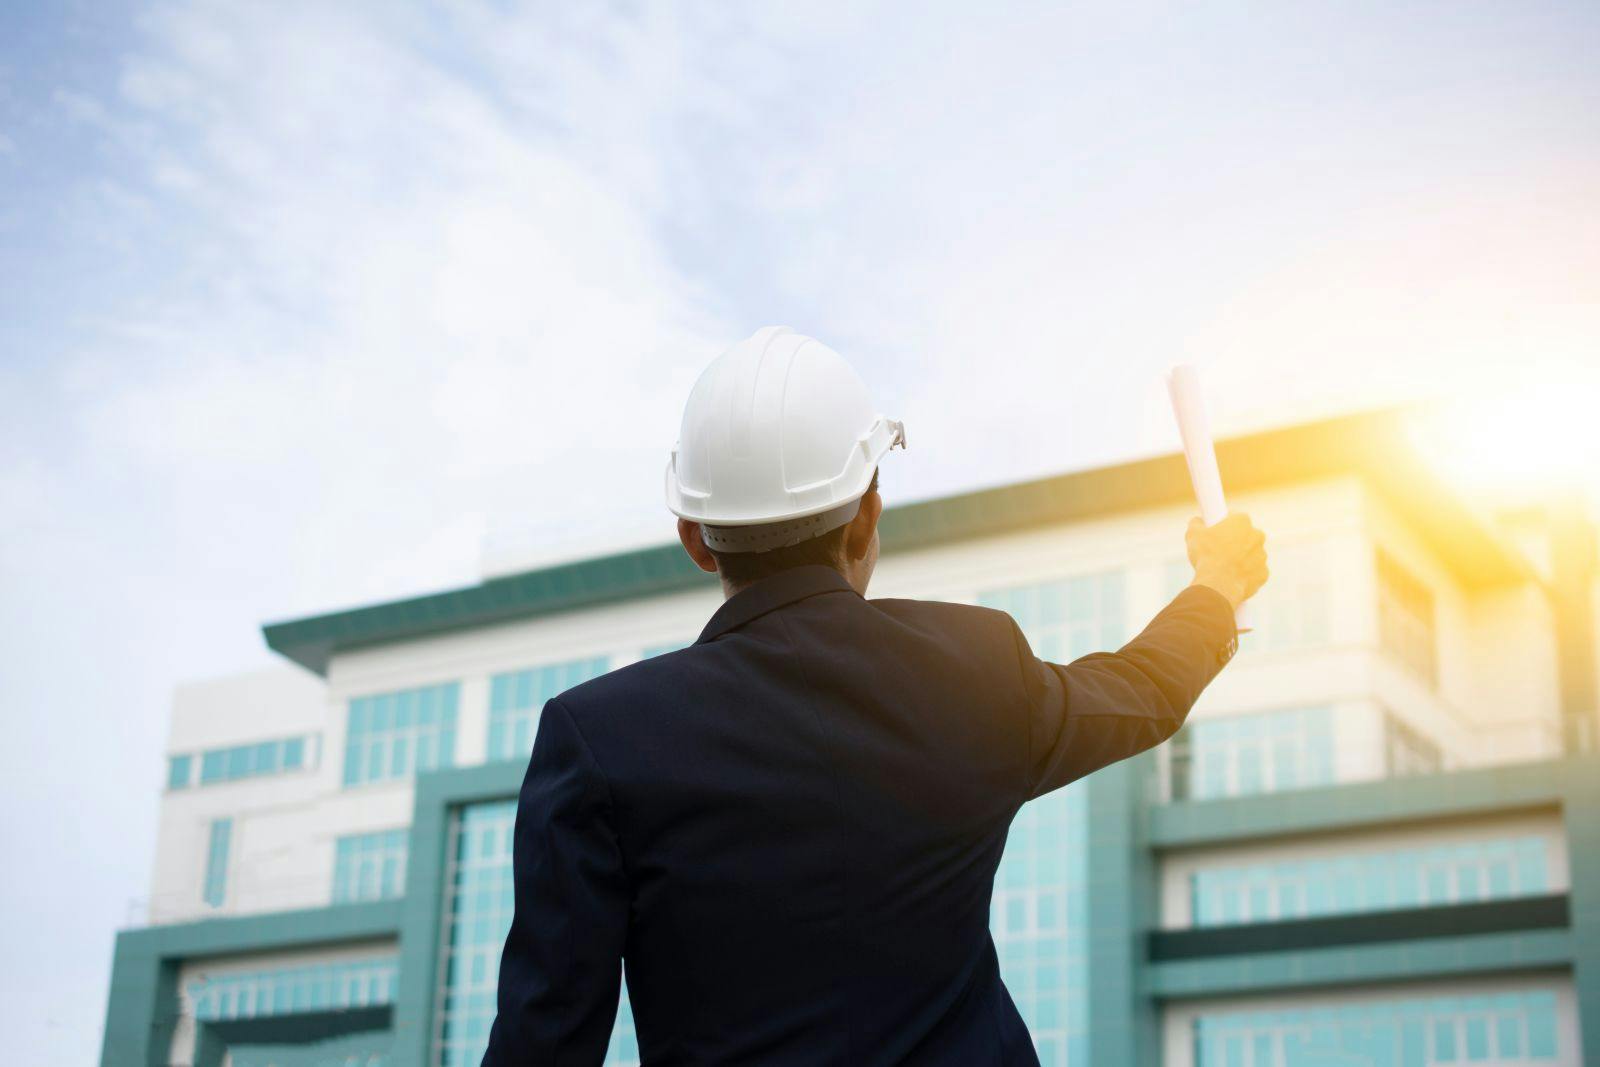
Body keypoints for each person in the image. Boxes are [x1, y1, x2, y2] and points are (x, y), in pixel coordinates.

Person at [483, 327, 1267, 1066]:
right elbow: (1141, 690)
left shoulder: (598, 740)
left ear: (695, 537)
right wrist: (1217, 585)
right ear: (867, 515)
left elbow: (544, 1045)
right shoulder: (974, 669)